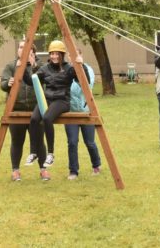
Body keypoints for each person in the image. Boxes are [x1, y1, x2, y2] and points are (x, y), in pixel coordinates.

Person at [22, 41, 84, 181]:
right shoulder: (44, 68)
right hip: (47, 99)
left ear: (62, 55)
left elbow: (82, 79)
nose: (54, 56)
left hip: (62, 101)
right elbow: (31, 82)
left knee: (47, 118)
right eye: (52, 54)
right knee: (34, 119)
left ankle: (50, 153)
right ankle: (33, 152)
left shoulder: (69, 68)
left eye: (57, 54)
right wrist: (26, 66)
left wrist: (80, 64)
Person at [0, 41, 41, 181]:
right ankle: (15, 171)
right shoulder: (11, 66)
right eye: (20, 47)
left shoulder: (40, 66)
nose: (21, 49)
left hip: (36, 110)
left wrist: (34, 66)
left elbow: (46, 82)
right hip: (16, 110)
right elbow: (3, 84)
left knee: (39, 141)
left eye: (25, 47)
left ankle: (43, 170)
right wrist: (8, 83)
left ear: (32, 51)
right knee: (17, 141)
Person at [65, 50, 101, 180]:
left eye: (75, 55)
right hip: (70, 113)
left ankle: (96, 165)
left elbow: (88, 85)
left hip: (86, 111)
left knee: (90, 142)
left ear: (81, 55)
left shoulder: (88, 69)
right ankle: (73, 171)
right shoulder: (66, 70)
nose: (72, 58)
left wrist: (82, 67)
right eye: (70, 55)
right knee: (72, 142)